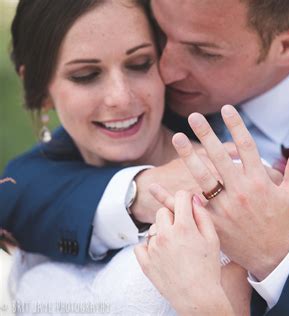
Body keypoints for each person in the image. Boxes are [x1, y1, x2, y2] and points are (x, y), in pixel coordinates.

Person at [1, 0, 289, 314]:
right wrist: (138, 192)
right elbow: (28, 184)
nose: (167, 68)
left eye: (202, 51)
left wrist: (277, 257)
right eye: (162, 36)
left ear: (286, 46)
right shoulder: (146, 95)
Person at [2, 0, 251, 314]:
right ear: (40, 89)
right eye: (86, 75)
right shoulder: (31, 200)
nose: (120, 98)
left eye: (139, 64)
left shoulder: (222, 181)